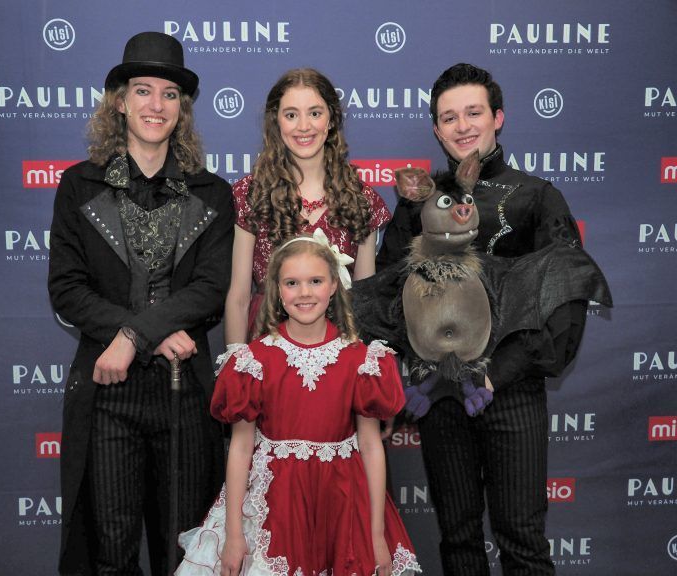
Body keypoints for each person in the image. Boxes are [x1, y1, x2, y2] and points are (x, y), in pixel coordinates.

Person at [377, 63, 591, 575]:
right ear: (436, 129)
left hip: (511, 392)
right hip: (442, 396)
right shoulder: (419, 202)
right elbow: (388, 289)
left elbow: (564, 302)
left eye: (473, 113)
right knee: (458, 540)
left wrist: (497, 375)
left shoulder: (538, 197)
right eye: (449, 117)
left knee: (522, 542)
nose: (462, 126)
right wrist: (426, 370)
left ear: (498, 117)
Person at [48, 32, 232, 575]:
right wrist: (147, 332)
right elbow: (67, 289)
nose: (157, 104)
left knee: (187, 555)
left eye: (170, 94)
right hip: (108, 393)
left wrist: (133, 336)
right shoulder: (78, 186)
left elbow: (209, 290)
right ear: (121, 102)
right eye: (143, 90)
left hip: (185, 392)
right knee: (111, 554)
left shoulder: (213, 192)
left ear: (182, 109)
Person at [176, 230, 422, 576]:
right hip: (274, 505)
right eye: (292, 283)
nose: (304, 292)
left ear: (334, 285)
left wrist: (376, 534)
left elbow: (370, 446)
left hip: (343, 502)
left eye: (315, 281)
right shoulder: (252, 361)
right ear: (277, 290)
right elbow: (241, 448)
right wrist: (234, 534)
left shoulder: (362, 360)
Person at [224, 68, 391, 345]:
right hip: (267, 344)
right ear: (276, 121)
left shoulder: (362, 199)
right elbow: (239, 297)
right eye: (291, 115)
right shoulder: (250, 194)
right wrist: (234, 360)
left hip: (338, 348)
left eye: (315, 113)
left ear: (331, 119)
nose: (304, 126)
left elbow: (363, 298)